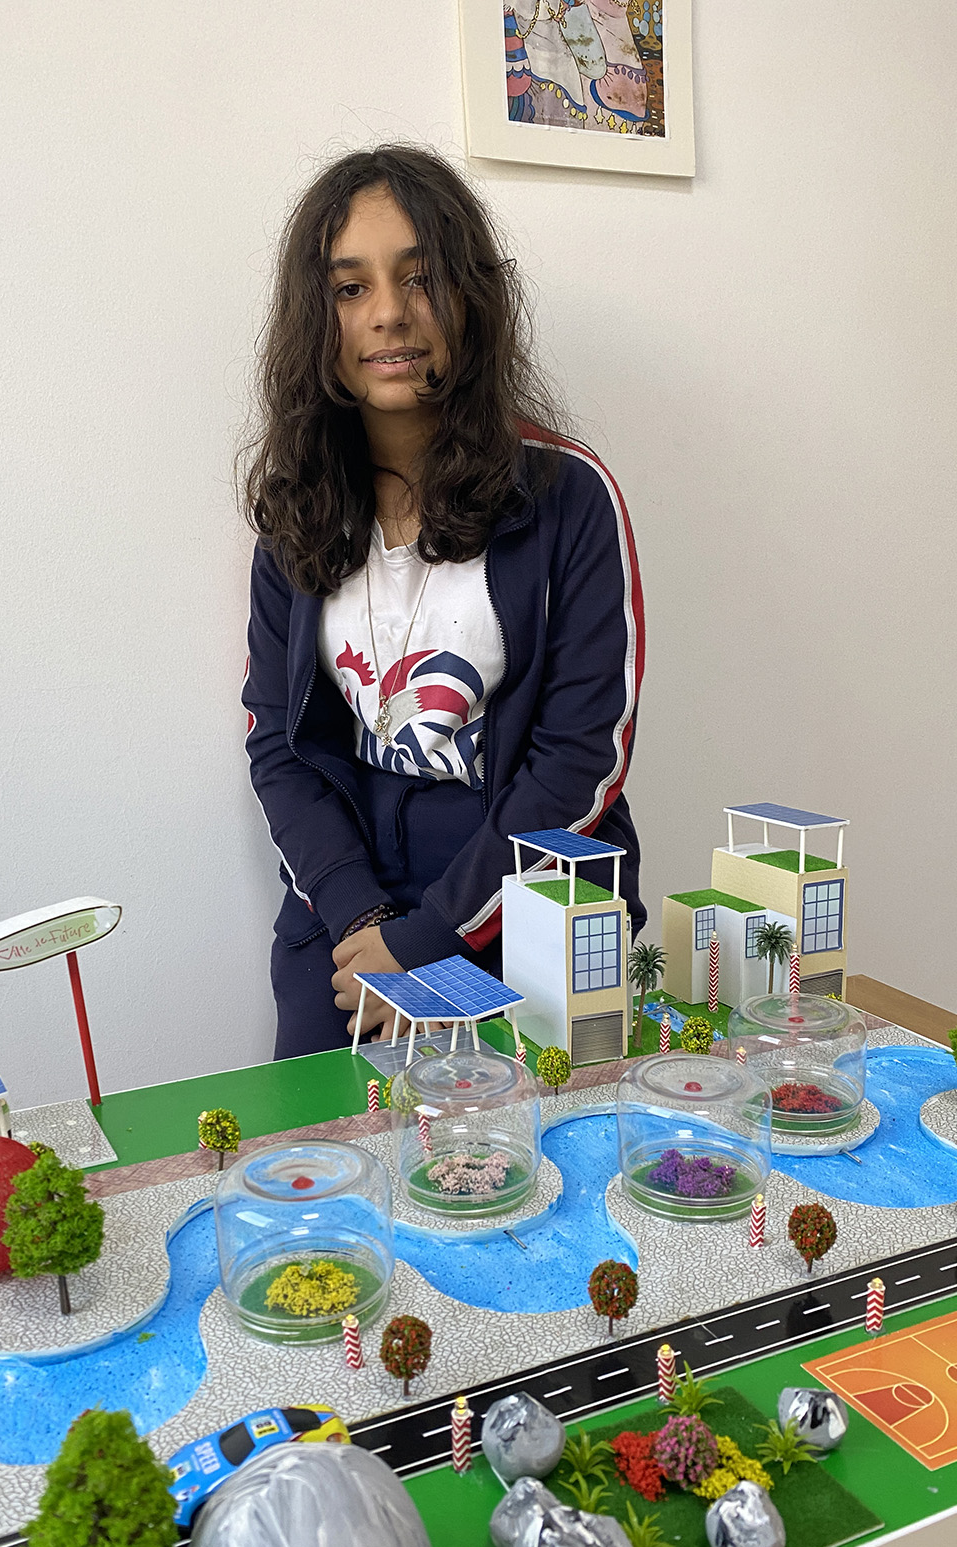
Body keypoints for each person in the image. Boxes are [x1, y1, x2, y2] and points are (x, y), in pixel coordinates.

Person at [241, 145, 645, 1058]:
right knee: (321, 1133)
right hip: (344, 897)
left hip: (526, 894)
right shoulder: (299, 507)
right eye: (350, 288)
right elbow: (280, 745)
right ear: (314, 318)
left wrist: (423, 942)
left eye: (420, 278)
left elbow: (582, 756)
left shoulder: (569, 497)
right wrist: (362, 923)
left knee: (515, 1137)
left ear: (470, 297)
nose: (388, 312)